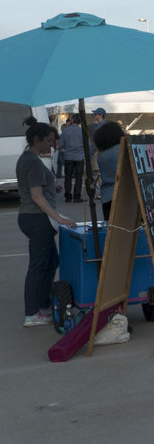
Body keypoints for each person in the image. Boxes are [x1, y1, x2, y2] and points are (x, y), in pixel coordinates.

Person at [18, 118, 77, 327]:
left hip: (34, 217)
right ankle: (32, 312)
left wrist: (54, 189)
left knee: (51, 262)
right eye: (49, 141)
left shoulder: (29, 159)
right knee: (39, 265)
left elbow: (38, 190)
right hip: (36, 218)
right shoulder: (32, 161)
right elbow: (36, 196)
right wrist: (59, 217)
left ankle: (43, 306)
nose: (51, 145)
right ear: (36, 139)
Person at [93, 121, 126, 221]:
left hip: (107, 196)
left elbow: (99, 174)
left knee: (111, 230)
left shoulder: (100, 155)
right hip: (125, 195)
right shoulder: (123, 148)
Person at [59, 114, 85, 203]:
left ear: (72, 120)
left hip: (68, 156)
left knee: (68, 177)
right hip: (80, 157)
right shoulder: (82, 131)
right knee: (78, 177)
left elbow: (61, 145)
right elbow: (88, 145)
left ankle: (68, 196)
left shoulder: (65, 131)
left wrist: (65, 149)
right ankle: (77, 196)